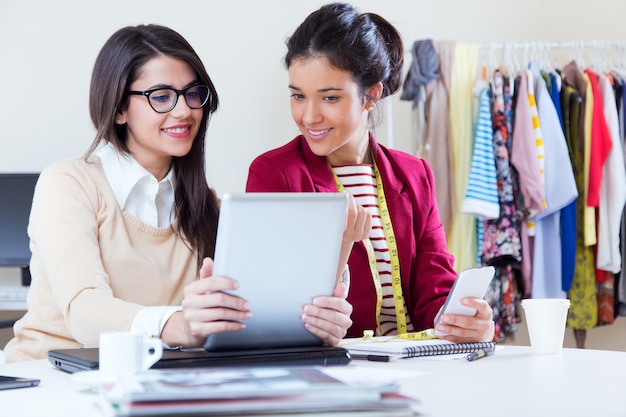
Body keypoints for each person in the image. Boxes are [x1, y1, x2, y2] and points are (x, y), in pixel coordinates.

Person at [4, 24, 352, 362]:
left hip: (154, 379)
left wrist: (315, 323)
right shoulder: (68, 184)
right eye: (161, 97)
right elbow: (84, 311)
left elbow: (249, 310)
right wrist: (180, 324)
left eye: (192, 94)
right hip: (49, 379)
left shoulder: (208, 206)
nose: (185, 110)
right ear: (119, 108)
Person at [246, 2, 495, 343]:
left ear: (370, 95)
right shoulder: (274, 175)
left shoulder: (414, 174)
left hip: (417, 368)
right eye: (298, 96)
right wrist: (342, 243)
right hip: (333, 370)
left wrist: (465, 320)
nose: (309, 116)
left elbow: (435, 293)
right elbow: (275, 303)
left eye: (329, 98)